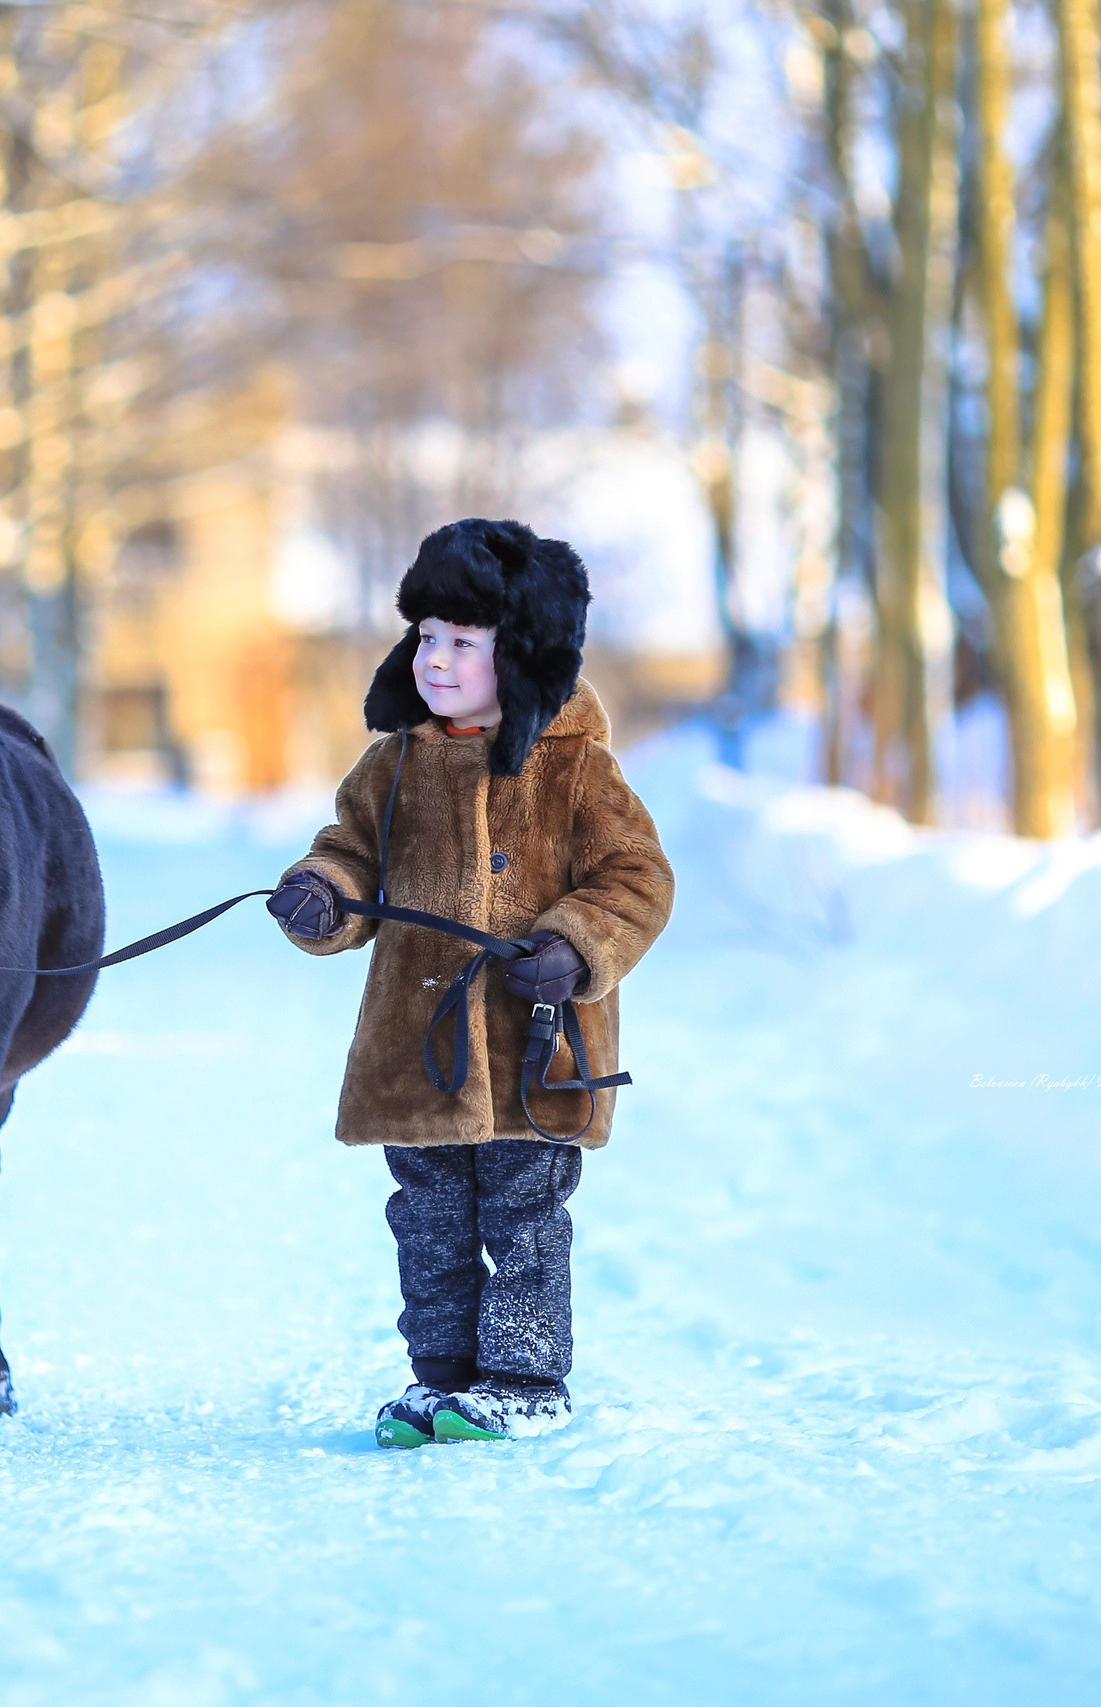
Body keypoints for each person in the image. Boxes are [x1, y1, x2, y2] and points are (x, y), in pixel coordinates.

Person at [267, 518, 674, 1448]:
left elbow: (638, 878)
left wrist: (575, 945)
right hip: (418, 1054)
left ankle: (526, 1377)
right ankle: (443, 1377)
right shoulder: (396, 761)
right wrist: (324, 896)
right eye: (426, 637)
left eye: (463, 641)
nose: (435, 660)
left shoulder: (575, 767)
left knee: (526, 1212)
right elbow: (351, 855)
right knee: (428, 1219)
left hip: (536, 1052)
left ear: (521, 653)